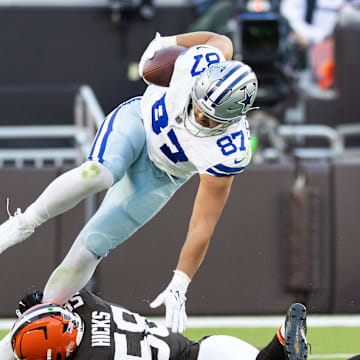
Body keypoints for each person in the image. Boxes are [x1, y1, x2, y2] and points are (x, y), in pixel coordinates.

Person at [0, 31, 258, 333]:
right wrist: (167, 42)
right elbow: (220, 40)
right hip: (138, 122)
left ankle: (41, 321)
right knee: (100, 172)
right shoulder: (199, 63)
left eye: (207, 118)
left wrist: (180, 282)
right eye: (198, 103)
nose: (197, 113)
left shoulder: (230, 150)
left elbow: (203, 224)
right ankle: (23, 223)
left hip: (162, 175)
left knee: (93, 246)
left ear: (231, 119)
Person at [0, 288, 308, 360]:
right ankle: (282, 341)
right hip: (209, 349)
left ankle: (281, 346)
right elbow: (52, 294)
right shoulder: (85, 303)